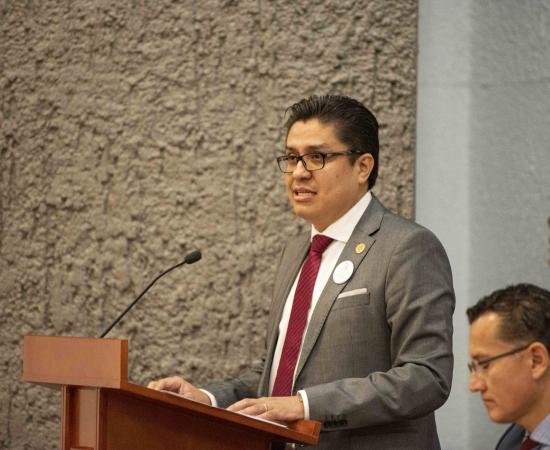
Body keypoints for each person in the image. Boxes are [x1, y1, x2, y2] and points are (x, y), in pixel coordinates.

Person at [149, 94, 455, 449]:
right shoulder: (296, 252)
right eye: (292, 157)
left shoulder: (406, 247)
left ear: (362, 167)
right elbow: (281, 374)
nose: (298, 172)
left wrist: (307, 406)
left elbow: (426, 377)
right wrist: (208, 398)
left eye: (316, 157)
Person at [467, 284, 550, 450]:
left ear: (536, 360)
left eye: (485, 365)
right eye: (473, 368)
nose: (474, 385)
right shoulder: (513, 439)